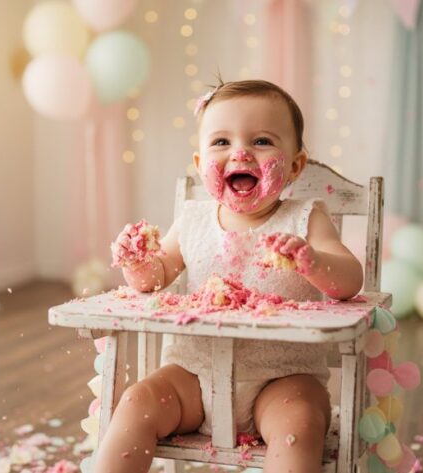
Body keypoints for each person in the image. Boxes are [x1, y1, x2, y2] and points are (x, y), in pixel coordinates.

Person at [98, 79, 364, 472]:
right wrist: (137, 262)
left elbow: (350, 281)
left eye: (261, 141)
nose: (240, 152)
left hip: (283, 379)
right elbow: (153, 278)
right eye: (221, 142)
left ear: (295, 165)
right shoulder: (192, 220)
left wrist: (313, 262)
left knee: (300, 425)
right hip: (193, 377)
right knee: (136, 402)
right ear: (199, 163)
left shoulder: (306, 219)